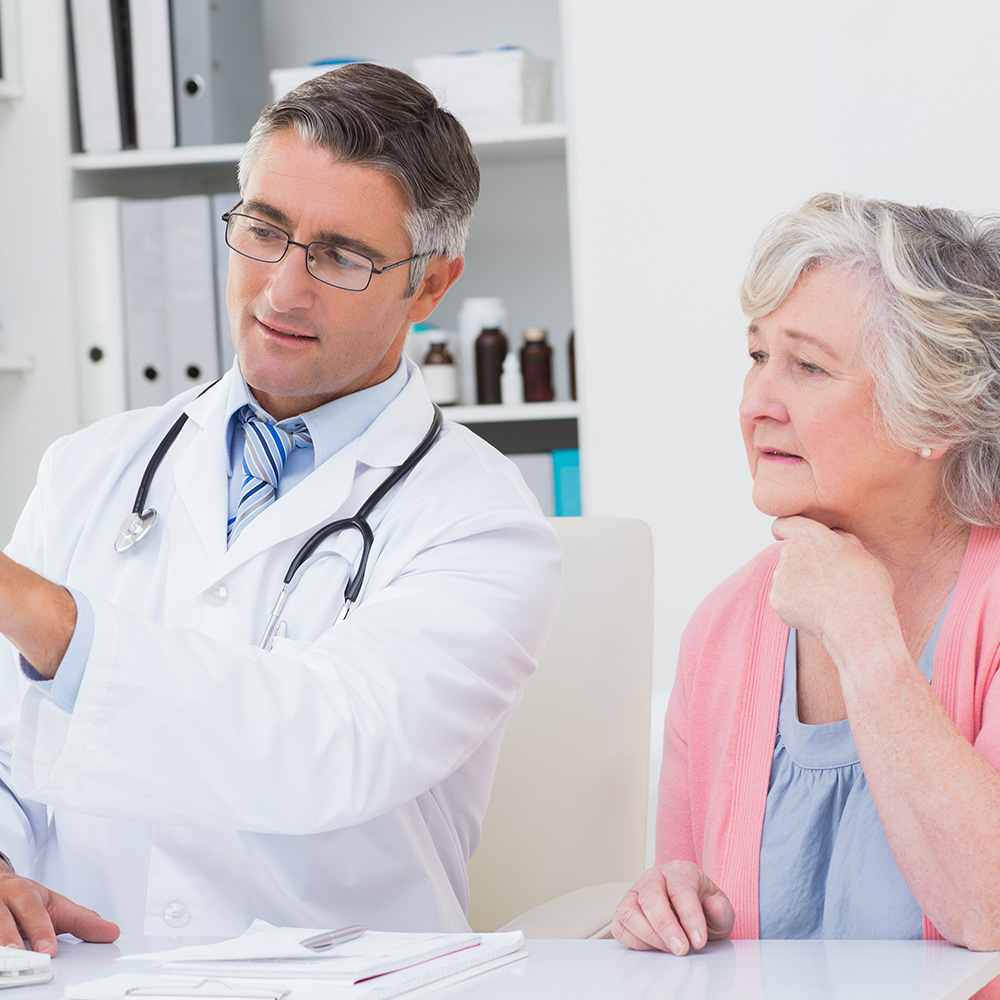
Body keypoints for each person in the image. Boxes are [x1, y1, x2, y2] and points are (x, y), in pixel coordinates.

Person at [0, 62, 561, 951]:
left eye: (341, 255)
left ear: (430, 285)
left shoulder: (486, 523)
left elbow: (330, 744)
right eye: (264, 230)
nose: (282, 290)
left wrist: (48, 619)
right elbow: (5, 752)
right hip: (95, 975)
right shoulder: (87, 470)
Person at [613, 193, 1000, 964]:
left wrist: (865, 641)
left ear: (939, 412)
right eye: (757, 356)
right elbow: (693, 894)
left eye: (808, 366)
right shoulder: (724, 626)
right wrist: (669, 902)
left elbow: (991, 912)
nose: (756, 404)